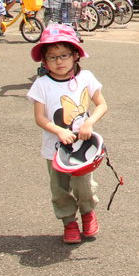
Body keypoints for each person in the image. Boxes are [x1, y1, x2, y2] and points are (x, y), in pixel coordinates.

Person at [26, 24, 108, 244]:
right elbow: (40, 118)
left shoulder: (86, 78)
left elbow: (101, 104)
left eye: (63, 55)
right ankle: (68, 222)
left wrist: (89, 123)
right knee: (59, 188)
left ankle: (88, 213)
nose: (59, 62)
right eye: (52, 57)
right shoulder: (41, 84)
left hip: (84, 147)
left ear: (75, 55)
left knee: (84, 185)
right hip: (54, 149)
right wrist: (59, 131)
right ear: (44, 61)